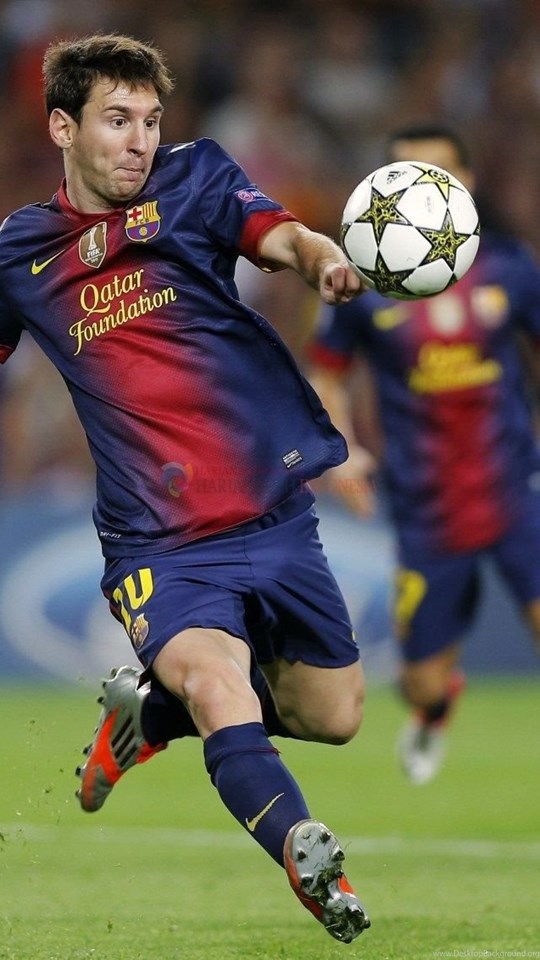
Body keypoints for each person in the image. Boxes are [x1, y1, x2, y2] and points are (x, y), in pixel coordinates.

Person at [0, 34, 371, 943]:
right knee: (218, 683)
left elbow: (279, 234)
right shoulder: (19, 253)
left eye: (151, 120)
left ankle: (148, 715)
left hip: (271, 513)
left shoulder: (195, 178)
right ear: (63, 128)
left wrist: (320, 260)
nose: (139, 141)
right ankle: (310, 860)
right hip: (157, 543)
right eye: (117, 120)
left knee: (335, 716)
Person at [307, 124, 540, 785]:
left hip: (514, 488)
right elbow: (327, 375)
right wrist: (343, 449)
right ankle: (436, 708)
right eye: (407, 174)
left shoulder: (510, 266)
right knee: (422, 685)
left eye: (439, 173)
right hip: (426, 508)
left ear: (467, 183)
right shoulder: (359, 283)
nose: (422, 188)